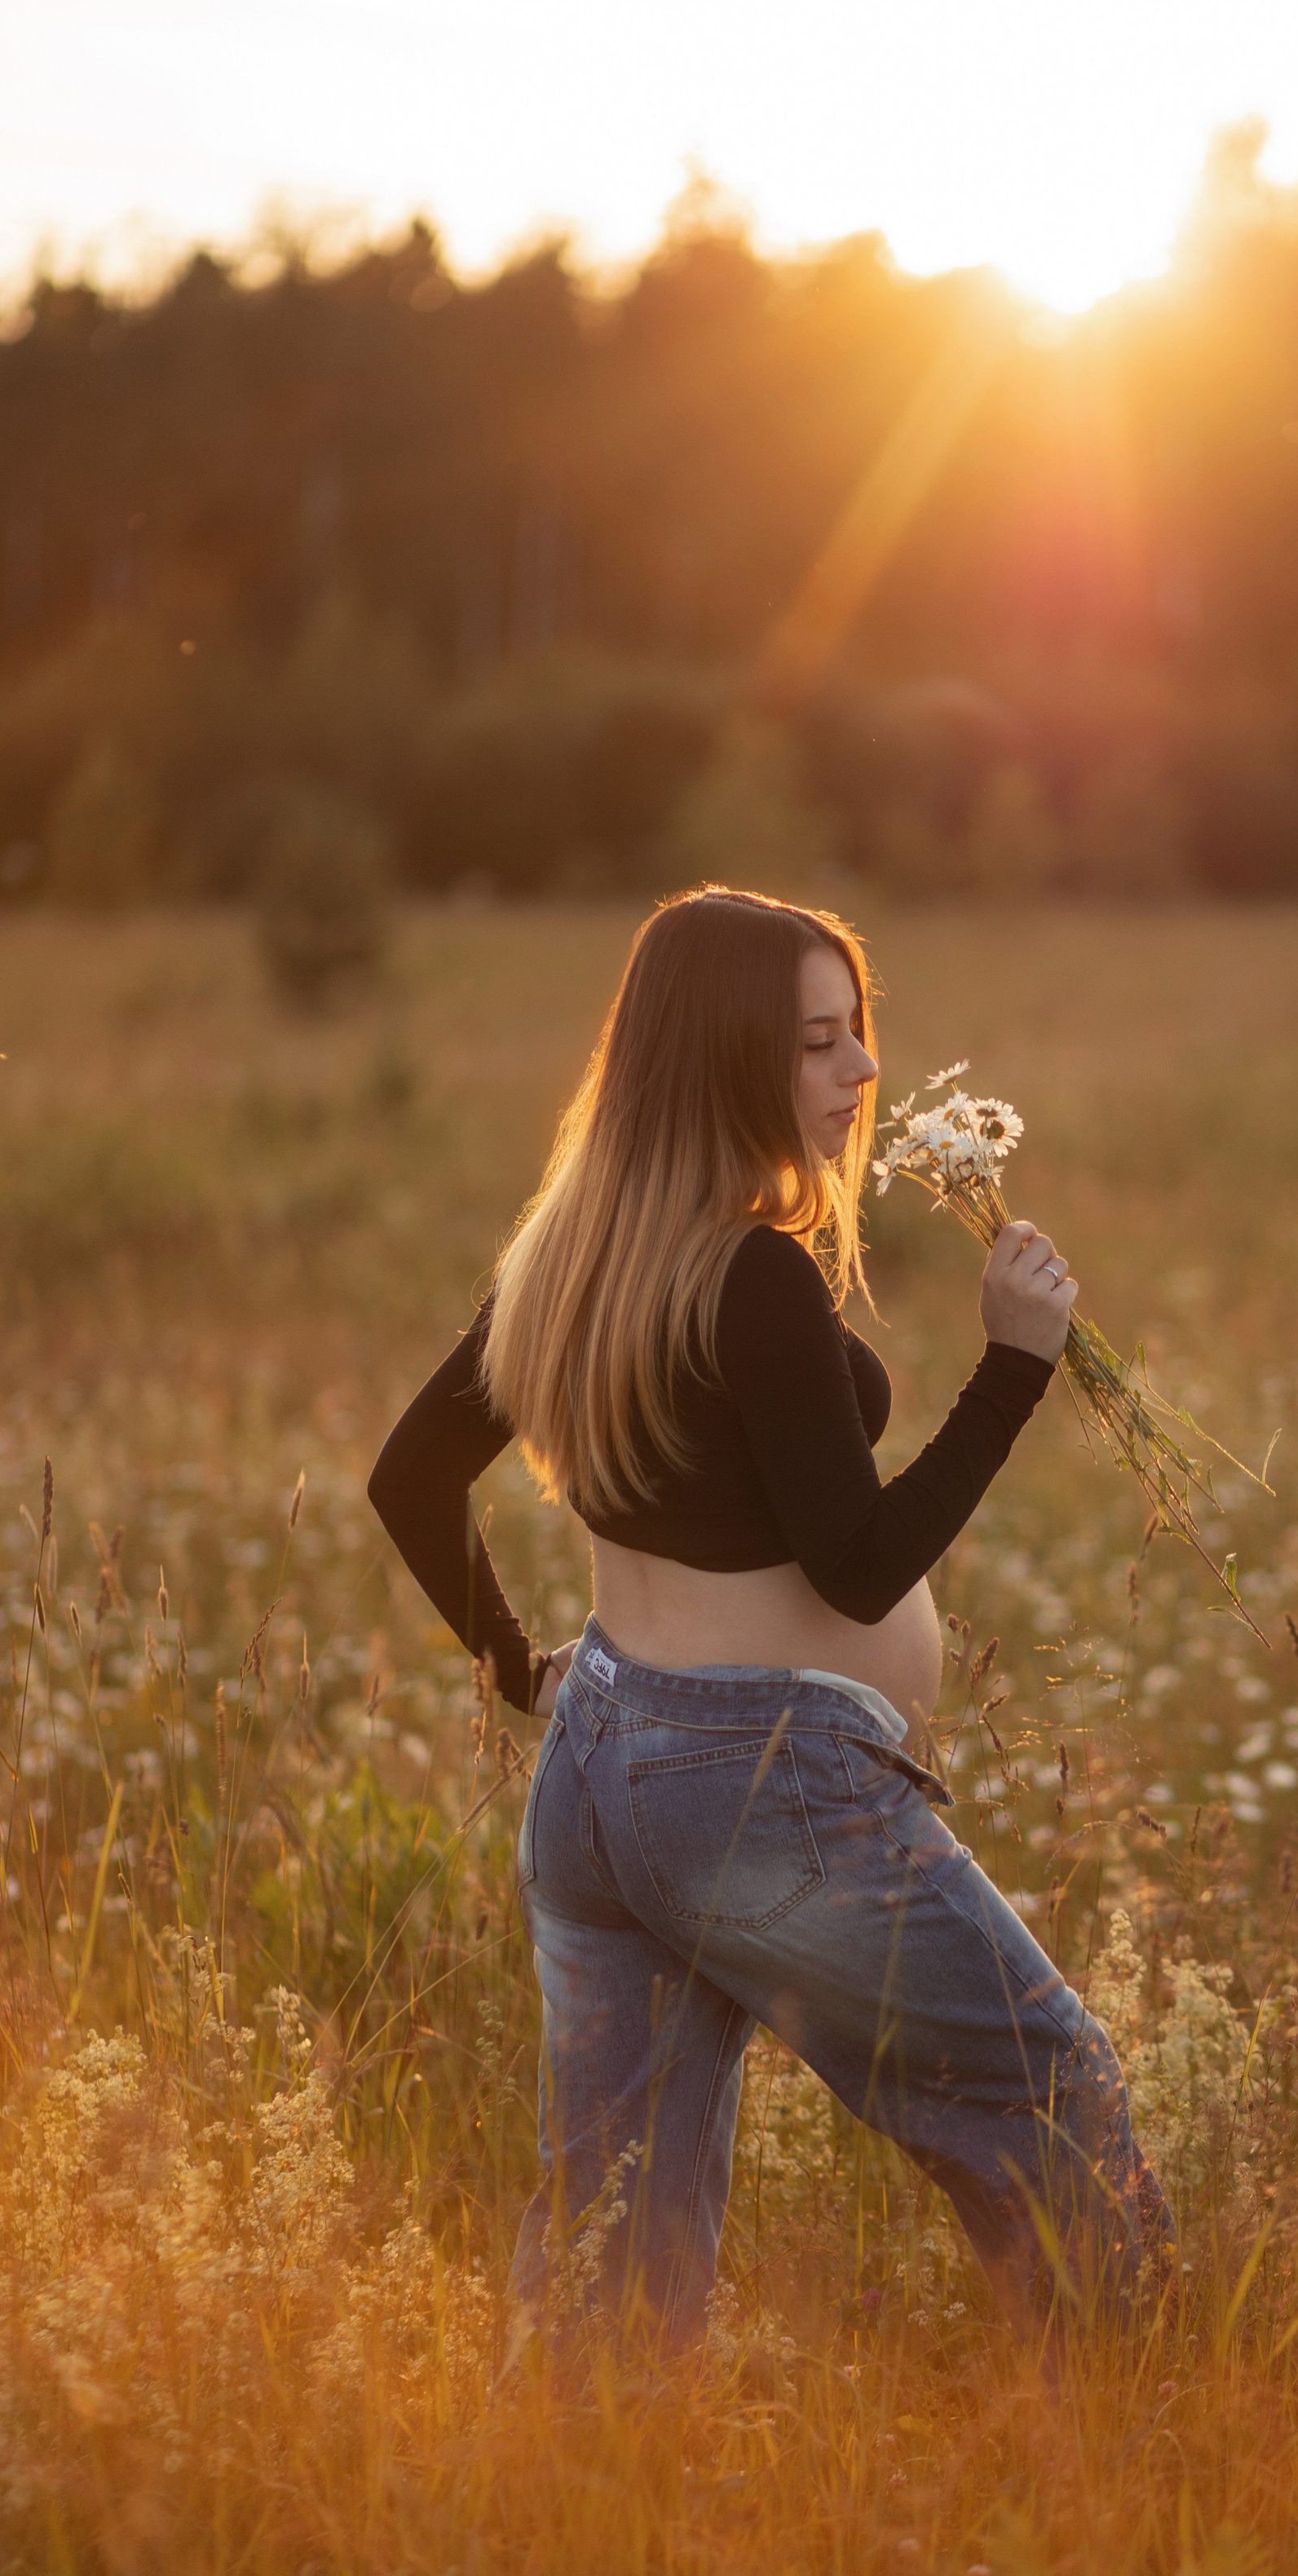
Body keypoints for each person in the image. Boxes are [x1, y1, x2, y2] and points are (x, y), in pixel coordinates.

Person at [368, 885, 1170, 2343]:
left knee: (614, 2258)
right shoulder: (756, 1271)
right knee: (1054, 2095)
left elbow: (408, 1476)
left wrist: (521, 1675)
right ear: (727, 1057)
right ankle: (1138, 2457)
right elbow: (858, 1565)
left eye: (858, 1033)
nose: (863, 1072)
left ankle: (573, 2521)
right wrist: (1016, 1367)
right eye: (818, 1042)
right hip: (762, 1796)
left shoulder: (569, 1257)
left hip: (600, 1776)